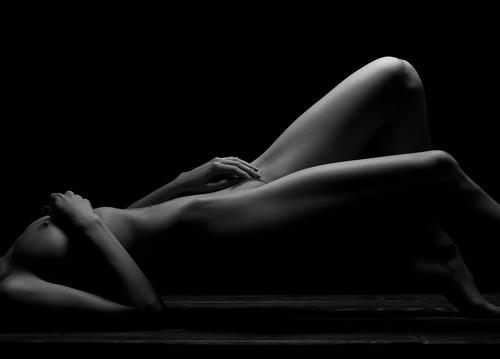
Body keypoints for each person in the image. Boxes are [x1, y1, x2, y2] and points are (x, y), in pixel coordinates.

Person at [1, 56, 499, 320]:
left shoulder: (11, 257)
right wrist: (85, 222)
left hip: (216, 200)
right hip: (222, 225)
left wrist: (179, 183)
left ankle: (428, 247)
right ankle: (435, 252)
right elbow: (142, 308)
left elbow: (130, 233)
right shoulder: (13, 287)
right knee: (438, 167)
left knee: (396, 77)